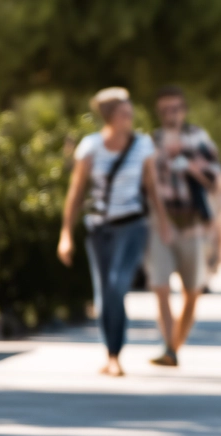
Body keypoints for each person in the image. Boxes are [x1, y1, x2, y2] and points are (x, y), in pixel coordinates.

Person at [58, 87, 171, 377]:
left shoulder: (143, 145)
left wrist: (164, 222)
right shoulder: (91, 147)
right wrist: (66, 234)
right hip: (99, 228)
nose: (129, 116)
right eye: (124, 112)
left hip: (133, 225)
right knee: (105, 292)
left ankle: (116, 353)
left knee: (118, 285)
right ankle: (111, 355)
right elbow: (76, 192)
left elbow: (151, 187)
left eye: (130, 111)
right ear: (109, 116)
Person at [146, 86, 221, 367]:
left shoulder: (198, 138)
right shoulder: (151, 142)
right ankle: (169, 348)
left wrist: (189, 165)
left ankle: (175, 343)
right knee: (161, 287)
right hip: (161, 221)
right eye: (165, 110)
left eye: (175, 108)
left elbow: (215, 180)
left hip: (193, 223)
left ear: (183, 110)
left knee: (192, 290)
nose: (171, 114)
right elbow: (146, 185)